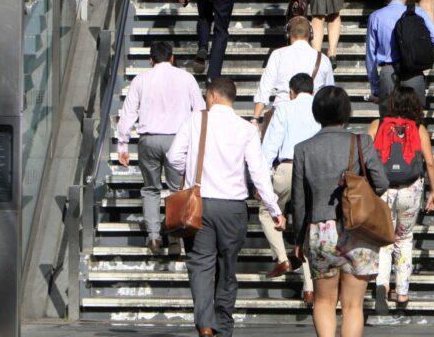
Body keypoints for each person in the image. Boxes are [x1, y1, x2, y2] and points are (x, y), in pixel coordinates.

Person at [167, 77, 286, 337]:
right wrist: (274, 209)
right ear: (232, 99)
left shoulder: (195, 120)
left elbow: (174, 157)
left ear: (211, 96)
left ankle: (205, 323)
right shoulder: (246, 129)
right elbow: (258, 171)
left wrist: (184, 178)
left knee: (200, 264)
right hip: (233, 207)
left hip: (200, 204)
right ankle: (224, 323)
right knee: (228, 265)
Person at [292, 86, 389, 337]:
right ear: (346, 112)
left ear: (317, 113)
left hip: (319, 230)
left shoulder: (303, 149)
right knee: (353, 305)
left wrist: (299, 238)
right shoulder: (361, 142)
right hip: (359, 229)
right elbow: (381, 183)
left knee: (324, 301)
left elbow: (299, 200)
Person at [114, 41, 205, 253]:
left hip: (149, 139)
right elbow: (200, 111)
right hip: (178, 139)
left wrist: (123, 145)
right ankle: (175, 238)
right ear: (172, 57)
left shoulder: (141, 80)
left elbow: (128, 113)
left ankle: (153, 237)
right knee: (177, 190)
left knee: (150, 189)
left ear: (151, 59)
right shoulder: (186, 78)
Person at [368, 87, 434, 312]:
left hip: (383, 189)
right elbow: (430, 163)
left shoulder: (377, 124)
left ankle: (381, 283)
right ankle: (402, 294)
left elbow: (365, 155)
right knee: (404, 239)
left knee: (384, 239)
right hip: (410, 189)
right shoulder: (418, 129)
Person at [258, 73, 322, 303]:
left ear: (291, 92)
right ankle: (309, 288)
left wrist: (262, 181)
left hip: (287, 167)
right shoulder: (319, 109)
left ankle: (283, 258)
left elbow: (269, 147)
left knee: (267, 212)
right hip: (313, 170)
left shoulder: (284, 109)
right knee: (305, 227)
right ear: (313, 91)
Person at [366, 0, 434, 116]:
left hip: (388, 73)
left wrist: (375, 86)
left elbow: (370, 56)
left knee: (388, 120)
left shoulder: (376, 17)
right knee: (415, 119)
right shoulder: (417, 12)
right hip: (413, 70)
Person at [252, 15, 335, 131]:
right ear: (311, 35)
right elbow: (330, 94)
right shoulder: (324, 59)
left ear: (288, 34)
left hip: (282, 113)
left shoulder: (278, 55)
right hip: (312, 116)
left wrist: (255, 119)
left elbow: (264, 90)